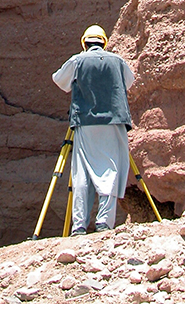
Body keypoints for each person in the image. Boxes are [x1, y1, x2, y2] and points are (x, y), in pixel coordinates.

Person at [51, 24, 136, 234]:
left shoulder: (77, 60)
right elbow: (130, 82)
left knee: (82, 174)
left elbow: (60, 81)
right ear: (104, 42)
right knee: (111, 170)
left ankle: (79, 225)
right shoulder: (117, 61)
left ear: (84, 43)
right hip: (114, 123)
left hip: (85, 123)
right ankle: (104, 223)